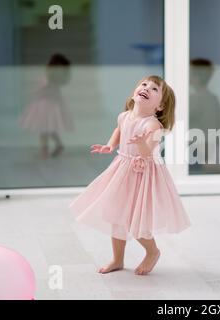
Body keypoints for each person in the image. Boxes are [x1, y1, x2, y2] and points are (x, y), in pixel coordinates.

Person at [70, 75, 191, 275]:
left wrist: (142, 143)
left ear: (159, 107)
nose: (146, 88)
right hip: (122, 167)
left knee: (135, 221)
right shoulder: (124, 116)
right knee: (115, 215)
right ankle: (117, 259)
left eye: (154, 89)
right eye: (144, 85)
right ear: (135, 92)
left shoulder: (153, 125)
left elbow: (146, 152)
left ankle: (152, 252)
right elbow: (119, 129)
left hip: (143, 174)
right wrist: (110, 145)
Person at [19, 53, 73, 159]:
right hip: (47, 105)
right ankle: (57, 145)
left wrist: (33, 92)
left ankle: (45, 151)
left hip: (45, 106)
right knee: (48, 128)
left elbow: (42, 89)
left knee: (44, 129)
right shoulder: (53, 78)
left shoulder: (50, 77)